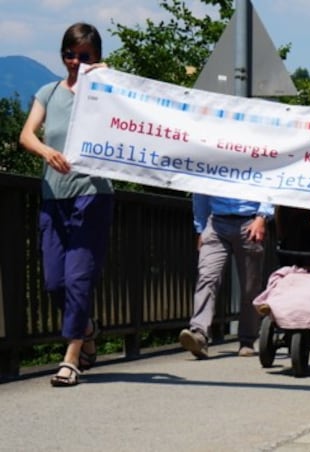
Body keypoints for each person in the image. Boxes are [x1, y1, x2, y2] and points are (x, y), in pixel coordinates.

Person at [19, 23, 113, 387]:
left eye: (85, 56)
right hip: (52, 196)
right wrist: (46, 150)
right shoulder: (48, 91)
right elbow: (27, 134)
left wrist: (109, 78)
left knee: (77, 279)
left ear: (97, 57)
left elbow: (136, 111)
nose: (76, 62)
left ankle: (71, 356)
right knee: (54, 281)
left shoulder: (106, 91)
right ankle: (86, 327)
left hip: (92, 195)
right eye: (70, 54)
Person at [178, 195, 273, 358]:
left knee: (250, 286)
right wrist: (200, 228)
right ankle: (199, 334)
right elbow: (201, 193)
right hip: (216, 222)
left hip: (250, 221)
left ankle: (247, 339)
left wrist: (262, 217)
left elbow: (269, 185)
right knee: (207, 277)